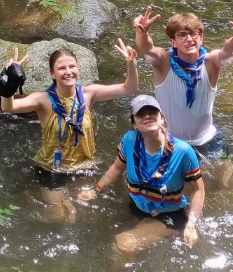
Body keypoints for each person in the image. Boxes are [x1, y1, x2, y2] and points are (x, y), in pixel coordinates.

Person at [0, 40, 138, 222]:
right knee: (62, 217)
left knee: (85, 213)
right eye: (61, 68)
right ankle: (28, 196)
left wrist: (131, 65)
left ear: (78, 69)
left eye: (72, 66)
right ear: (52, 74)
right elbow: (9, 108)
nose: (68, 72)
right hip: (51, 168)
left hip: (83, 167)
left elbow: (130, 88)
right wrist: (6, 83)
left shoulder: (89, 94)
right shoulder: (43, 100)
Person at [132, 7, 233, 160]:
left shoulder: (210, 62)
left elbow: (227, 54)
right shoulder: (164, 62)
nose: (189, 39)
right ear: (173, 42)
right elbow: (148, 50)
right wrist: (142, 33)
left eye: (194, 34)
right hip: (171, 141)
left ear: (201, 38)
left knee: (222, 182)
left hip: (208, 139)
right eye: (182, 35)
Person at [87, 95, 205, 252]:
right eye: (141, 114)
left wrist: (191, 225)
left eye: (152, 112)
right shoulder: (129, 141)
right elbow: (116, 169)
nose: (147, 116)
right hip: (136, 207)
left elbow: (198, 189)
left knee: (123, 243)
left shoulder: (183, 151)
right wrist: (97, 189)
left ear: (162, 118)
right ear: (134, 122)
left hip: (169, 215)